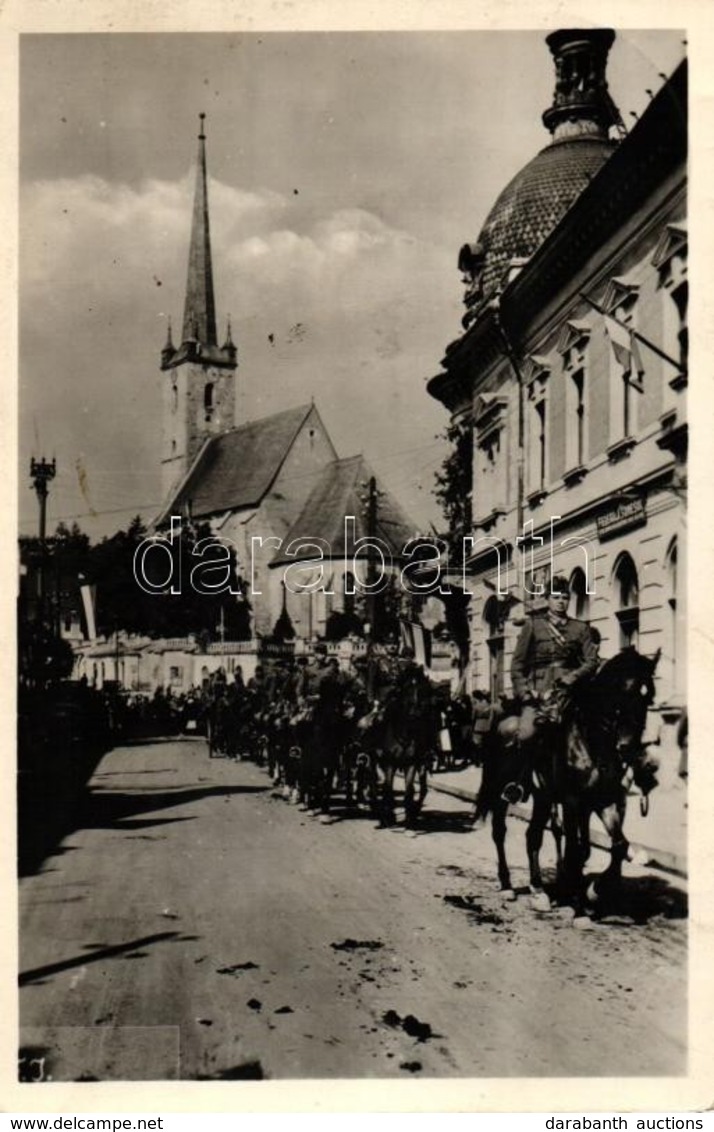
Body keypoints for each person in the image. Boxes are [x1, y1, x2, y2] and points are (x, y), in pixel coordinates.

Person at [503, 574, 599, 803]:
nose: (561, 602)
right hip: (539, 696)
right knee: (526, 734)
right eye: (556, 597)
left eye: (565, 597)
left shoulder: (580, 628)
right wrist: (526, 693)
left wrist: (572, 677)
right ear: (547, 599)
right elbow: (516, 666)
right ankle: (520, 782)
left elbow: (592, 661)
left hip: (571, 694)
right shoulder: (533, 626)